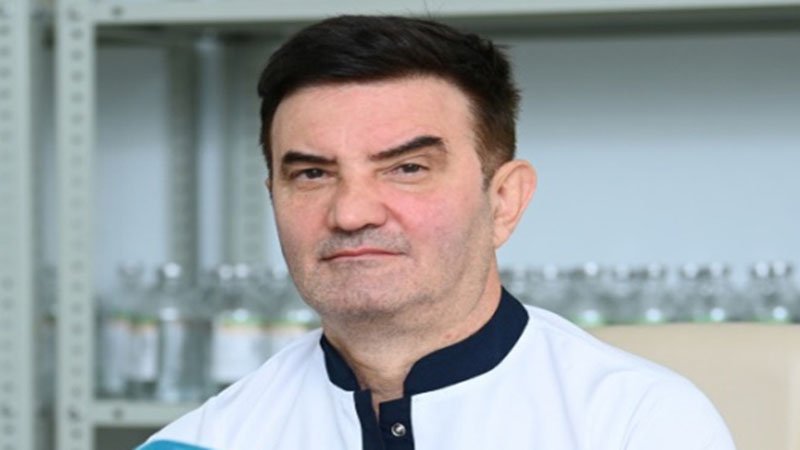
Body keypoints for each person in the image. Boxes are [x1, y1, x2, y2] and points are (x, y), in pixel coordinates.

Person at [146, 15, 735, 450]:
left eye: (407, 168)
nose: (351, 213)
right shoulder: (204, 441)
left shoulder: (639, 424)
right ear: (273, 195)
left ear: (503, 200)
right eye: (312, 174)